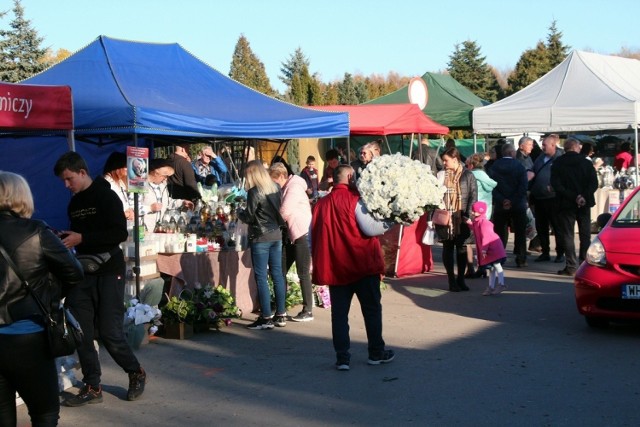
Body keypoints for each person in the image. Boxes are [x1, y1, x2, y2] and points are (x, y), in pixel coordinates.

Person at [53, 152, 147, 406]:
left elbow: (117, 233)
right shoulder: (74, 204)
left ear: (82, 173)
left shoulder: (107, 196)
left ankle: (135, 372)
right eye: (64, 181)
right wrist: (67, 238)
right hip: (83, 273)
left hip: (109, 271)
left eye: (69, 179)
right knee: (81, 331)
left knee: (109, 332)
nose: (67, 185)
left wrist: (82, 238)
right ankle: (93, 386)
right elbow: (81, 234)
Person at [0, 171, 84, 427]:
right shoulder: (36, 231)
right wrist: (49, 296)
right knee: (44, 413)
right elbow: (74, 272)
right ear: (20, 197)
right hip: (28, 335)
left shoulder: (36, 231)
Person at [311, 164, 394, 370]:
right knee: (372, 310)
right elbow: (370, 228)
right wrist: (392, 220)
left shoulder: (321, 204)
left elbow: (312, 236)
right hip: (362, 265)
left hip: (337, 267)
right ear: (349, 176)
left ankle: (342, 357)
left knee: (339, 314)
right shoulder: (355, 199)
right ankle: (375, 352)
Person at [237, 160, 287, 330]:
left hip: (261, 236)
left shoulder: (254, 191)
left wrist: (239, 213)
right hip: (276, 234)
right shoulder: (275, 187)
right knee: (277, 275)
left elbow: (250, 217)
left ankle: (266, 317)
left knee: (261, 277)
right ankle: (281, 314)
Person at [269, 162, 314, 322]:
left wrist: (270, 219)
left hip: (301, 232)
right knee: (280, 270)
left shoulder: (294, 187)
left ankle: (308, 309)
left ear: (282, 176)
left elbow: (284, 211)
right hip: (291, 234)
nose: (274, 185)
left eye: (275, 181)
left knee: (302, 272)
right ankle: (280, 306)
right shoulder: (287, 187)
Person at [550, 138, 599, 275]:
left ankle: (571, 265)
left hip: (565, 203)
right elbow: (593, 183)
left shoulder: (558, 163)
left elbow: (556, 184)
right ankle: (584, 262)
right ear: (577, 148)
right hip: (583, 202)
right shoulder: (585, 163)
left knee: (568, 234)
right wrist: (582, 196)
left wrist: (573, 196)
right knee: (585, 234)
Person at [436, 147, 477, 292]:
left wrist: (468, 215)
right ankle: (451, 280)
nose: (444, 163)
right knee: (448, 248)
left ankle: (461, 278)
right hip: (445, 218)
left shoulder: (468, 175)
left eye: (446, 160)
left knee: (462, 248)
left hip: (461, 218)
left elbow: (473, 195)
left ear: (455, 159)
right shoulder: (441, 175)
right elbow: (435, 195)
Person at [488, 143, 529, 268]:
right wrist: (513, 200)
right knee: (520, 232)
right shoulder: (520, 166)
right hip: (518, 204)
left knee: (500, 231)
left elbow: (492, 186)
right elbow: (523, 187)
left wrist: (502, 200)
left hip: (501, 205)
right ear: (512, 153)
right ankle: (521, 257)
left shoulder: (495, 166)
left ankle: (499, 257)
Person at [529, 134, 564, 263]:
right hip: (539, 197)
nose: (542, 147)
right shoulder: (541, 158)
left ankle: (560, 253)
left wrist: (555, 187)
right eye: (542, 145)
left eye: (545, 145)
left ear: (553, 145)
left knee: (557, 226)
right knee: (541, 226)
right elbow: (533, 169)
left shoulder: (560, 158)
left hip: (554, 198)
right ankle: (545, 252)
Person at [465, 153, 497, 278]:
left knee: (467, 242)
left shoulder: (471, 175)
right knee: (482, 242)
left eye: (467, 165)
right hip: (486, 212)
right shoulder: (486, 176)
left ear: (471, 165)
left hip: (474, 211)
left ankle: (470, 268)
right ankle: (483, 266)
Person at [465, 201, 507, 296]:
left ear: (480, 211)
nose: (472, 212)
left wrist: (484, 249)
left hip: (493, 248)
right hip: (490, 248)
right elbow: (475, 229)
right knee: (492, 268)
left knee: (497, 265)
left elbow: (486, 237)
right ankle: (491, 287)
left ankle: (501, 284)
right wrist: (469, 223)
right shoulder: (478, 222)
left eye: (474, 211)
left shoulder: (484, 223)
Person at [139, 158, 176, 233]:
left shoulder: (162, 186)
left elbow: (167, 202)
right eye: (164, 176)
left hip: (159, 230)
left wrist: (182, 202)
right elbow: (132, 208)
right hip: (144, 230)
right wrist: (150, 208)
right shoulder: (140, 185)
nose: (166, 179)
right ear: (156, 173)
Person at [102, 151, 134, 221]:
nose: (128, 170)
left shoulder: (120, 182)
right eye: (126, 167)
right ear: (117, 167)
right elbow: (106, 211)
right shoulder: (106, 184)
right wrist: (126, 214)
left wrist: (130, 210)